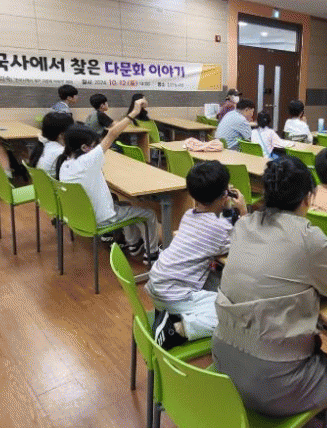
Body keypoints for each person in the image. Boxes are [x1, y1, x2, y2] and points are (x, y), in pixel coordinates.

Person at [212, 155, 327, 420]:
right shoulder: (308, 237)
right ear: (307, 198)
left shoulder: (244, 224)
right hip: (271, 383)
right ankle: (312, 425)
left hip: (223, 361)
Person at [148, 161, 247, 347]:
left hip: (159, 285)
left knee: (217, 280)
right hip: (174, 295)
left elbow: (218, 225)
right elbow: (246, 242)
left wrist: (225, 205)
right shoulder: (219, 229)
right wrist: (243, 210)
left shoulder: (188, 215)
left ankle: (171, 314)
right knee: (239, 315)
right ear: (225, 196)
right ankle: (175, 329)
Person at [57, 97, 161, 264]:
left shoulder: (64, 164)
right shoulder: (89, 160)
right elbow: (112, 133)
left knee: (125, 205)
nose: (96, 147)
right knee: (149, 214)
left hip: (81, 217)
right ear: (84, 148)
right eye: (93, 145)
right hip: (101, 219)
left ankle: (134, 245)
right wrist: (134, 112)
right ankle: (153, 254)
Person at [29, 111, 74, 178]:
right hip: (54, 184)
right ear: (61, 135)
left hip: (41, 183)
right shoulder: (61, 152)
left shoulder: (43, 144)